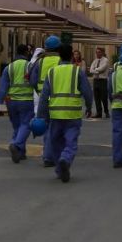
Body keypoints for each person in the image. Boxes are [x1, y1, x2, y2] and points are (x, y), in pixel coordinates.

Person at [36, 43, 93, 183]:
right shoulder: (77, 71)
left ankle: (59, 167)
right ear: (72, 56)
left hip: (55, 113)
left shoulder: (52, 72)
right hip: (72, 114)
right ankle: (65, 159)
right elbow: (87, 91)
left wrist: (41, 115)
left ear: (59, 56)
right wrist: (89, 106)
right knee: (71, 141)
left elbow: (44, 96)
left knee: (55, 141)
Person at [0, 43, 34, 163]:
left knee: (17, 126)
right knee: (26, 125)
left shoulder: (9, 67)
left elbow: (2, 87)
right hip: (26, 100)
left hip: (11, 102)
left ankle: (21, 152)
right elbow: (36, 82)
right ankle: (15, 145)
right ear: (26, 53)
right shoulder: (30, 66)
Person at [29, 36, 63, 167]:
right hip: (57, 98)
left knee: (47, 126)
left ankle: (48, 156)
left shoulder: (39, 62)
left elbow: (32, 80)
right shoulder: (61, 61)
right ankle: (54, 155)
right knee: (58, 128)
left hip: (43, 97)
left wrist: (39, 92)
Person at [89, 47, 111, 119]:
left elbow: (102, 69)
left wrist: (95, 70)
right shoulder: (95, 61)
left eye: (99, 52)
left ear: (102, 52)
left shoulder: (105, 60)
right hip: (96, 80)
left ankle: (106, 112)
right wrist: (96, 70)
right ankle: (99, 113)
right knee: (96, 97)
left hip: (102, 80)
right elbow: (90, 70)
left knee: (104, 97)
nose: (97, 53)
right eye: (96, 52)